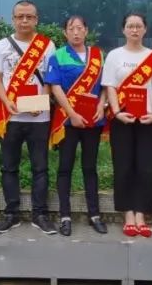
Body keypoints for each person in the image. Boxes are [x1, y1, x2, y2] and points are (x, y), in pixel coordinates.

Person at [0, 0, 57, 234]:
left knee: (40, 167)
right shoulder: (1, 46)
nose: (24, 20)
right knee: (9, 167)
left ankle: (40, 214)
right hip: (11, 116)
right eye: (20, 16)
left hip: (39, 117)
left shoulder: (47, 45)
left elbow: (50, 79)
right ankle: (11, 214)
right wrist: (5, 101)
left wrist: (44, 100)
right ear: (13, 19)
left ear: (36, 19)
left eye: (29, 16)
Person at [102, 12, 152, 238]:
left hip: (148, 119)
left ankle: (141, 214)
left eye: (138, 26)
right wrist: (116, 112)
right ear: (123, 30)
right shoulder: (114, 55)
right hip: (122, 119)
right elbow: (110, 86)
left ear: (145, 29)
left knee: (146, 168)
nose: (134, 30)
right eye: (130, 26)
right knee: (123, 166)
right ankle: (128, 214)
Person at [48, 15, 107, 236]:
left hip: (93, 120)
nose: (75, 32)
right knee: (65, 167)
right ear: (65, 32)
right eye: (71, 28)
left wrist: (102, 105)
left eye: (79, 28)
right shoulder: (58, 56)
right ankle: (65, 216)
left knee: (90, 167)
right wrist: (72, 114)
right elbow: (55, 88)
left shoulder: (98, 55)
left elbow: (105, 85)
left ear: (86, 31)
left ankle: (94, 215)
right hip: (68, 120)